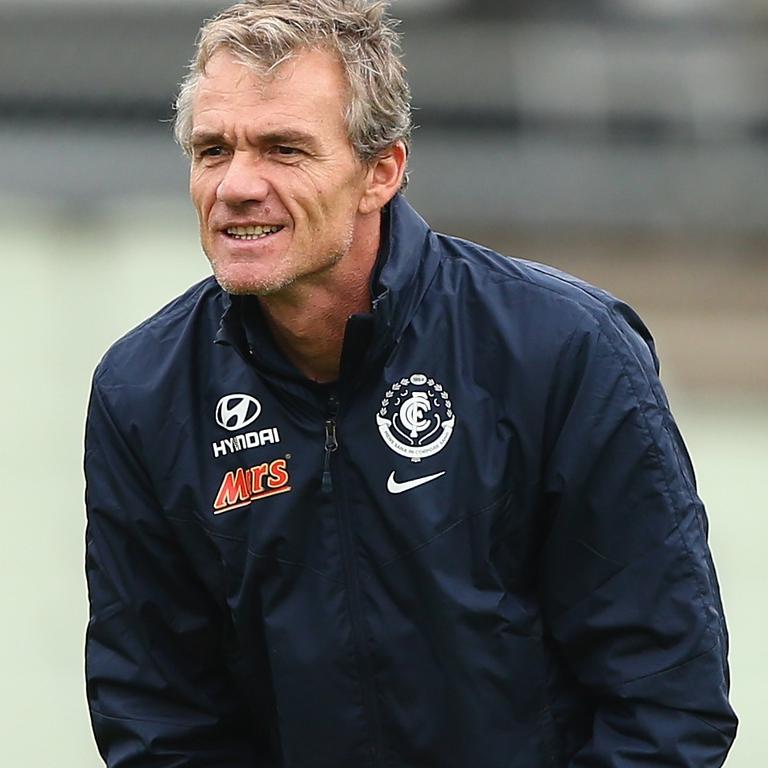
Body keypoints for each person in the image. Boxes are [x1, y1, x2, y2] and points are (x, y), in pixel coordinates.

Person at [84, 1, 737, 766]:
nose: (236, 185)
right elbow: (159, 718)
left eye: (284, 149)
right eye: (212, 150)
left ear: (380, 172)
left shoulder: (563, 350)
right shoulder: (143, 393)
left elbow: (665, 699)